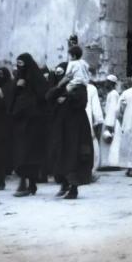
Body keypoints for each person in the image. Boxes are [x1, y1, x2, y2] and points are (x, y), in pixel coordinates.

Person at [46, 46, 94, 199]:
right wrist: (59, 89)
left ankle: (73, 188)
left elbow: (80, 102)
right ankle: (65, 184)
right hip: (63, 127)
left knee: (73, 155)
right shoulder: (64, 87)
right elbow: (49, 98)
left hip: (76, 128)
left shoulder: (79, 89)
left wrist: (66, 98)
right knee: (62, 153)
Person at [9, 53, 49, 197]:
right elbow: (11, 98)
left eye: (22, 64)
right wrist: (17, 86)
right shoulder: (19, 79)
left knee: (30, 153)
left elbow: (44, 95)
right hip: (20, 122)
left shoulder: (36, 78)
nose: (20, 68)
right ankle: (24, 182)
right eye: (17, 64)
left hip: (34, 123)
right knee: (21, 152)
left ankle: (29, 183)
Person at [99, 74, 121, 169]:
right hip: (109, 119)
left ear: (111, 83)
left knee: (110, 142)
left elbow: (113, 110)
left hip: (110, 121)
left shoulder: (113, 94)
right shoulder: (112, 93)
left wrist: (109, 125)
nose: (105, 84)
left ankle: (111, 163)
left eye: (107, 82)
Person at [85, 75, 104, 178]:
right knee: (91, 145)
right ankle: (90, 171)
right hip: (87, 121)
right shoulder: (91, 89)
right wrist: (98, 121)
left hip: (71, 121)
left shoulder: (69, 86)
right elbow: (96, 110)